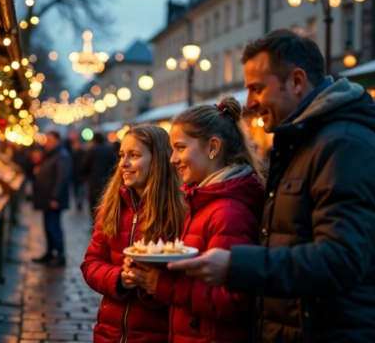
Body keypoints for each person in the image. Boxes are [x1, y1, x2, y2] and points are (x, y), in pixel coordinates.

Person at [169, 29, 375, 342]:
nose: (250, 103)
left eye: (257, 89)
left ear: (296, 81)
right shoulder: (305, 142)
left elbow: (341, 260)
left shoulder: (345, 146)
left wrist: (236, 265)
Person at [126, 97, 264, 343]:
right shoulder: (202, 199)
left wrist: (161, 283)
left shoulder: (228, 211)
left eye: (180, 148)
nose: (172, 159)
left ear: (212, 147)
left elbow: (230, 299)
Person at [80, 123, 186, 343]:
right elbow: (91, 263)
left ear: (157, 160)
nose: (123, 163)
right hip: (109, 333)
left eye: (134, 155)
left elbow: (185, 283)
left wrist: (150, 282)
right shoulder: (112, 206)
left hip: (156, 334)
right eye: (121, 155)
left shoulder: (180, 210)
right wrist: (119, 278)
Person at [32, 131, 71, 267]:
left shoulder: (61, 156)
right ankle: (49, 252)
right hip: (45, 198)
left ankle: (60, 255)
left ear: (57, 141)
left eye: (50, 140)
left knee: (54, 227)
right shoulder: (49, 155)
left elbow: (62, 178)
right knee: (47, 227)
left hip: (53, 199)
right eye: (46, 140)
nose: (47, 142)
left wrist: (55, 197)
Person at [81, 133, 118, 221]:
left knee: (94, 205)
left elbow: (84, 165)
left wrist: (84, 176)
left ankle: (95, 225)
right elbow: (114, 166)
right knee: (104, 204)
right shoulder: (109, 150)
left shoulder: (92, 150)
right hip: (107, 183)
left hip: (94, 182)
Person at [69, 138, 87, 211]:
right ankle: (80, 201)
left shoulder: (74, 154)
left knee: (77, 189)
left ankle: (79, 202)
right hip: (79, 175)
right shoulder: (83, 153)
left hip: (77, 175)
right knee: (80, 189)